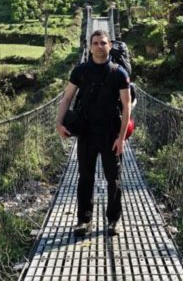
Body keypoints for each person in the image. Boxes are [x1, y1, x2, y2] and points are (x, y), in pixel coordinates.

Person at [56, 29, 131, 237]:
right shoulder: (80, 71)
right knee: (85, 177)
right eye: (96, 43)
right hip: (86, 132)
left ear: (110, 46)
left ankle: (113, 221)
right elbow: (66, 98)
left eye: (103, 43)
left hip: (110, 133)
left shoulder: (119, 73)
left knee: (113, 178)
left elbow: (126, 107)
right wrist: (58, 123)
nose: (99, 46)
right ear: (89, 46)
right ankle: (84, 220)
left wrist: (121, 138)